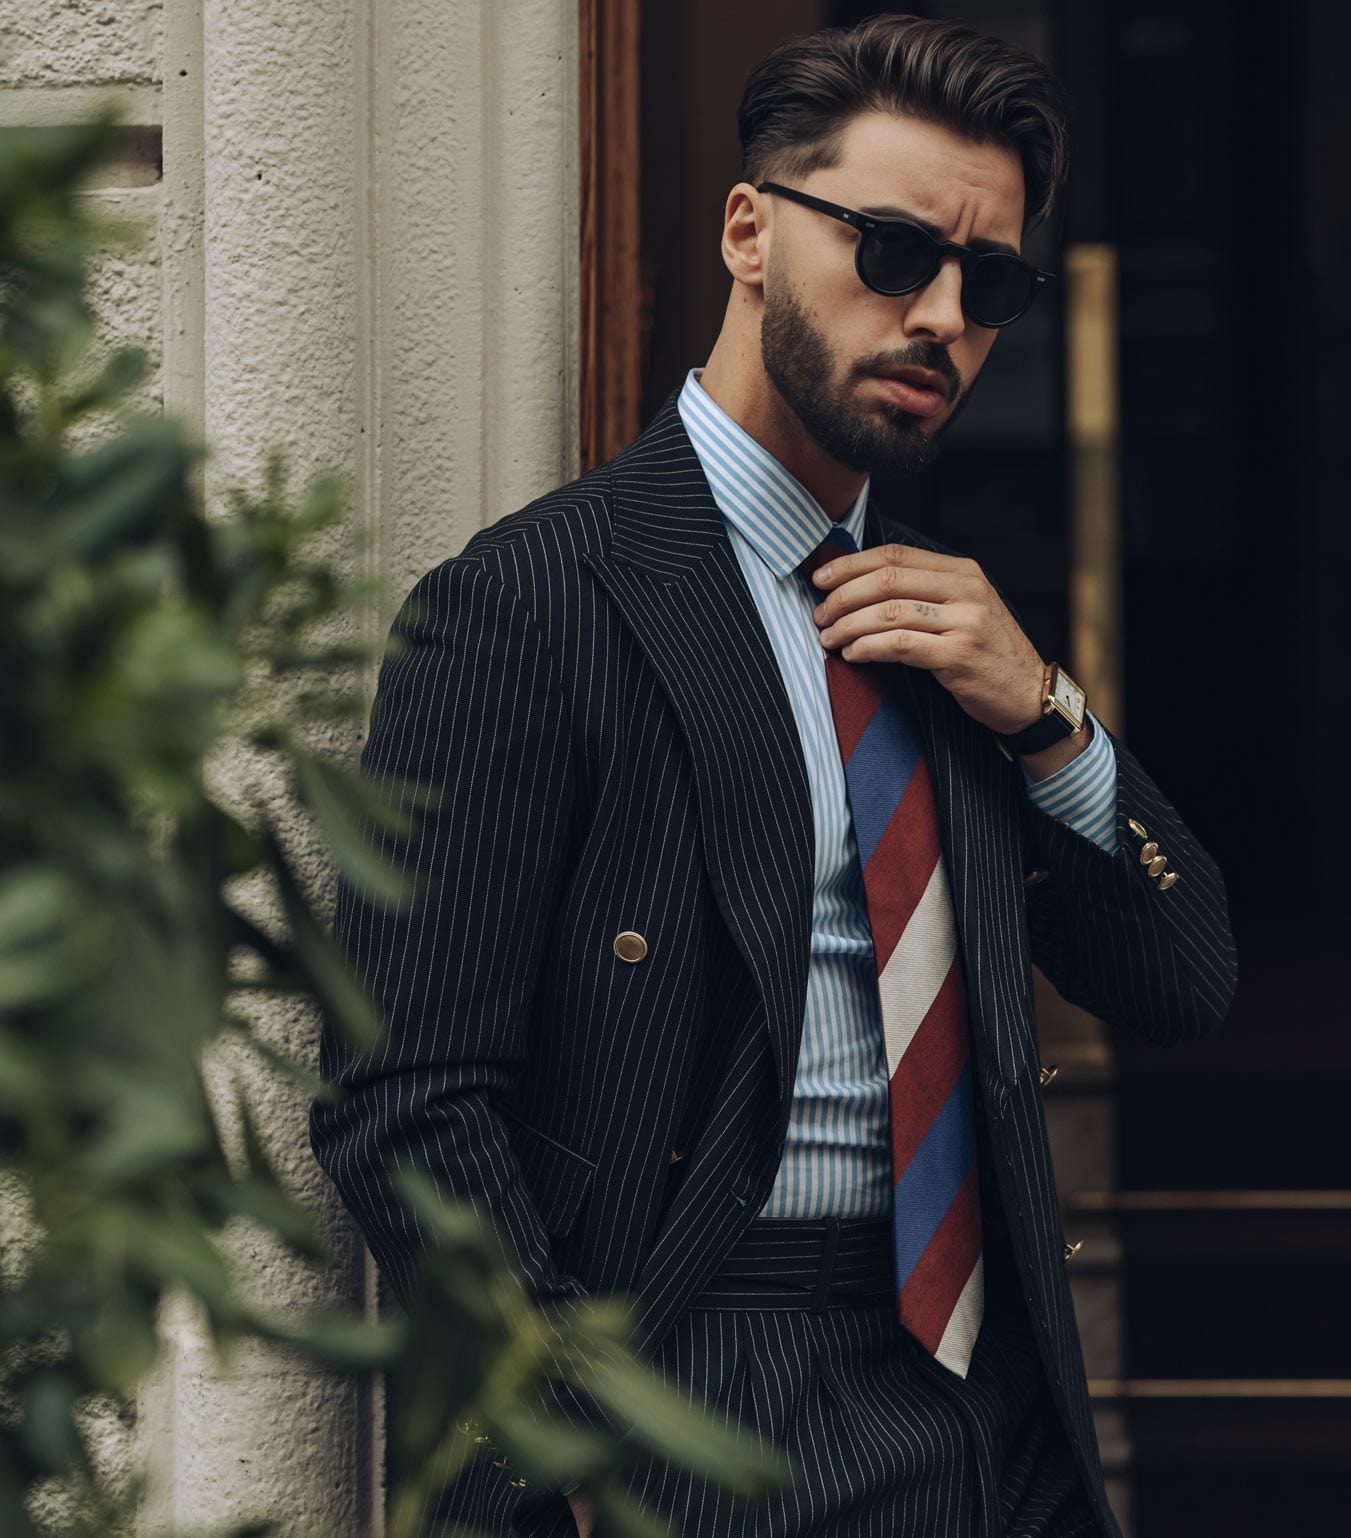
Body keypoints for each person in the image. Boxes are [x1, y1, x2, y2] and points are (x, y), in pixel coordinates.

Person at [309, 13, 1237, 1538]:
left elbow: (1183, 975)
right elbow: (403, 1098)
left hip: (975, 1400)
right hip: (690, 1375)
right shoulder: (538, 602)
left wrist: (1049, 714)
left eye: (986, 282)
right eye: (889, 250)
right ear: (749, 228)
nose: (940, 314)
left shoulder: (955, 638)